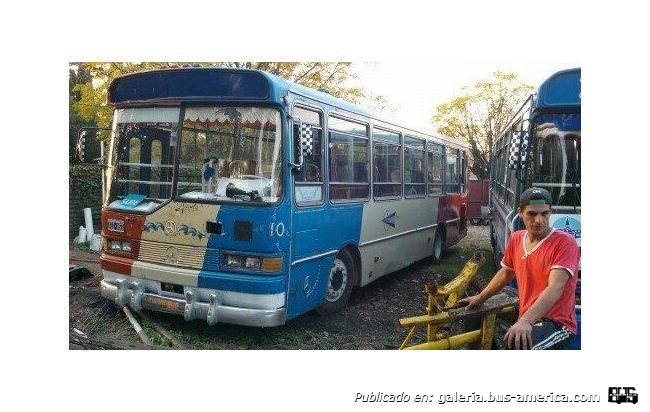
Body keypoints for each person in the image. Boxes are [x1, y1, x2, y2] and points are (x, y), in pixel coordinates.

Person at [458, 187, 579, 350]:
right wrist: (480, 298)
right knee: (473, 315)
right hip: (528, 314)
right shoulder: (516, 238)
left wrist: (526, 321)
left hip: (557, 323)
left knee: (519, 346)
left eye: (544, 214)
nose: (539, 220)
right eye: (532, 214)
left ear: (550, 212)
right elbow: (505, 273)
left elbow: (555, 287)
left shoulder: (565, 242)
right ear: (520, 213)